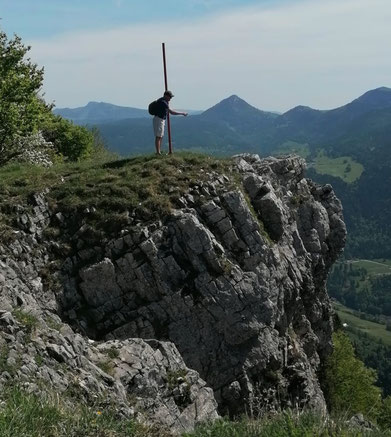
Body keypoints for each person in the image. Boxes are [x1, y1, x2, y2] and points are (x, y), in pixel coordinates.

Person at [153, 90, 188, 155]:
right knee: (158, 136)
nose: (170, 99)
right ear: (166, 96)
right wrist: (182, 113)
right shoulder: (163, 102)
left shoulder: (161, 100)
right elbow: (171, 112)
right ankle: (158, 152)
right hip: (159, 119)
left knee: (160, 136)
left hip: (160, 119)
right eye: (170, 97)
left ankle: (159, 152)